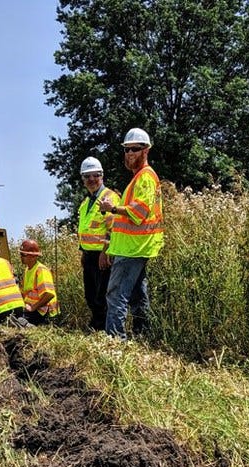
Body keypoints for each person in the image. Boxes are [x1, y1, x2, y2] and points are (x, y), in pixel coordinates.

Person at [98, 128, 164, 339]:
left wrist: (113, 209)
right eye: (126, 149)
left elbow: (139, 212)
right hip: (135, 246)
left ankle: (115, 341)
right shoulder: (139, 178)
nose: (129, 154)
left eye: (134, 149)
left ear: (146, 151)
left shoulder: (144, 177)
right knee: (137, 295)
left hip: (133, 248)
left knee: (116, 295)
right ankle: (143, 335)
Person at [77, 156, 121, 330]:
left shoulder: (109, 197)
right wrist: (83, 252)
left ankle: (102, 329)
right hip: (89, 255)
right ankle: (97, 326)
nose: (91, 180)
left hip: (102, 255)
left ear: (102, 175)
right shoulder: (86, 202)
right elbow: (86, 230)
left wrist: (105, 252)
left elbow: (113, 228)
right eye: (87, 177)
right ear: (83, 180)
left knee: (101, 296)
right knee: (90, 295)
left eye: (95, 175)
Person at [18, 239, 60, 325]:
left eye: (23, 254)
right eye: (21, 254)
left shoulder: (41, 270)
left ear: (33, 256)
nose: (21, 256)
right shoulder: (27, 270)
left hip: (43, 311)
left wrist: (33, 307)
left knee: (18, 320)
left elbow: (49, 294)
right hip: (33, 308)